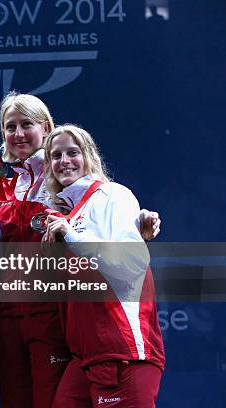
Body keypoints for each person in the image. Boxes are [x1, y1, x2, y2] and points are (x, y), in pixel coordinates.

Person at [0, 92, 161, 408]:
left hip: (53, 314)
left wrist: (139, 222)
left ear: (45, 127)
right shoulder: (2, 183)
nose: (18, 134)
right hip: (8, 313)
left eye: (26, 124)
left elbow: (103, 212)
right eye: (10, 126)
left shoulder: (63, 178)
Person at [43, 125, 165, 407]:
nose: (64, 161)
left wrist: (73, 236)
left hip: (122, 353)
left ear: (89, 156)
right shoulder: (66, 214)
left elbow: (130, 264)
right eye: (55, 155)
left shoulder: (113, 196)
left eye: (72, 153)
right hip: (84, 357)